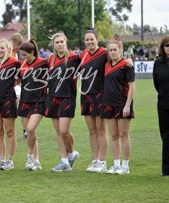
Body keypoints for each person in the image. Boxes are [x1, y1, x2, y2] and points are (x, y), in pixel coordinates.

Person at [46, 32, 80, 172]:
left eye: (61, 42)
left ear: (65, 42)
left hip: (68, 97)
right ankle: (64, 161)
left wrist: (127, 61)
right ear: (53, 45)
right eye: (57, 42)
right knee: (58, 131)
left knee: (64, 130)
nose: (59, 44)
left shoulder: (75, 58)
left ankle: (72, 153)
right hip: (53, 97)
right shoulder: (50, 59)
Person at [102, 38, 135, 175]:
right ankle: (116, 164)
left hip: (122, 104)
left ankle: (125, 166)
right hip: (109, 105)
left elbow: (132, 87)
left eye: (115, 49)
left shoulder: (126, 65)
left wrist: (127, 106)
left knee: (124, 135)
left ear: (121, 51)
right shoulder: (107, 65)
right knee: (114, 135)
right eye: (110, 50)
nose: (113, 52)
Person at [79, 29, 109, 173]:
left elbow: (117, 60)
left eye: (92, 39)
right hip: (86, 95)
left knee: (101, 130)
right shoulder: (83, 55)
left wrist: (127, 61)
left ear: (97, 40)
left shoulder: (104, 53)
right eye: (87, 40)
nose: (89, 42)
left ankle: (103, 161)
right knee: (91, 130)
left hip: (100, 95)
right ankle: (95, 160)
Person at [0, 38, 20, 170]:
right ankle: (1, 159)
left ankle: (10, 160)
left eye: (2, 48)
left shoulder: (14, 63)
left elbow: (19, 80)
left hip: (8, 100)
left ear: (8, 49)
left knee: (10, 132)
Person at [18, 39, 48, 171]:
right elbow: (18, 81)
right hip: (25, 101)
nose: (22, 58)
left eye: (25, 55)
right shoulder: (22, 65)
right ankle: (36, 161)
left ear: (32, 52)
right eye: (21, 55)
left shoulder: (43, 63)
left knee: (30, 129)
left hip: (39, 101)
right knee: (30, 133)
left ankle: (29, 157)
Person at [153, 35, 169, 176]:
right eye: (167, 45)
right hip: (164, 104)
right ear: (163, 47)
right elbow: (157, 84)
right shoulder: (158, 64)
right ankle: (166, 169)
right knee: (166, 136)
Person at [10, 33, 26, 138]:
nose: (18, 47)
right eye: (17, 44)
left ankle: (25, 130)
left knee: (21, 104)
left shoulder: (15, 53)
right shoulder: (8, 52)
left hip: (15, 82)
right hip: (9, 83)